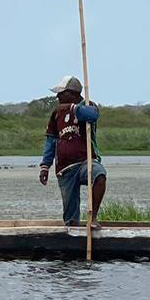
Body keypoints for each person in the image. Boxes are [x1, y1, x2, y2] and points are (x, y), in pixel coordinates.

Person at [37, 75, 106, 228]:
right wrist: (45, 166)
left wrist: (71, 108)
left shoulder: (87, 106)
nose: (58, 96)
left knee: (99, 175)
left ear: (73, 93)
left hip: (85, 162)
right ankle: (73, 231)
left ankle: (93, 218)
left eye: (61, 93)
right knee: (70, 216)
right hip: (65, 168)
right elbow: (51, 140)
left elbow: (92, 115)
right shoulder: (56, 113)